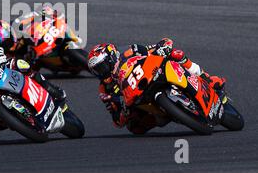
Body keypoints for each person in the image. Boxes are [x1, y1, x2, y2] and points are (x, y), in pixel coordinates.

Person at [87, 38, 226, 134]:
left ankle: (206, 78)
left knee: (176, 54)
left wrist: (162, 47)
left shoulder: (130, 52)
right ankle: (168, 115)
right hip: (139, 101)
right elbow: (117, 122)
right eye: (97, 71)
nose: (101, 73)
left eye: (102, 67)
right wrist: (122, 111)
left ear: (111, 58)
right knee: (134, 128)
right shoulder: (105, 89)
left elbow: (156, 46)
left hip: (154, 75)